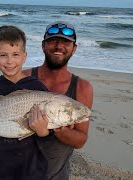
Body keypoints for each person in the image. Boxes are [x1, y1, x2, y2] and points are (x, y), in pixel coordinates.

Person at [0, 25, 49, 180]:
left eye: (16, 54)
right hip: (0, 167)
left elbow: (47, 136)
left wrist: (42, 130)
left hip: (31, 169)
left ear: (24, 56)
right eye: (3, 55)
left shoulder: (38, 89)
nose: (10, 61)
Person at [22, 21, 93, 180]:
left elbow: (80, 140)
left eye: (66, 42)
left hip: (54, 176)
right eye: (52, 40)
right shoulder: (23, 77)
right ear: (43, 46)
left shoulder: (82, 87)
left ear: (74, 48)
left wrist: (58, 127)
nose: (58, 46)